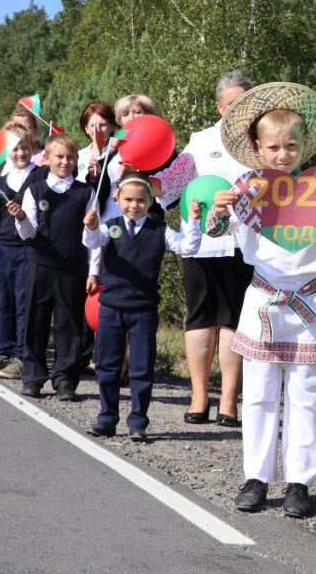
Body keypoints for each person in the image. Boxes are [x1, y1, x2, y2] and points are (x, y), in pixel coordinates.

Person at [207, 83, 316, 519]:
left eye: (291, 146)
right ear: (257, 147)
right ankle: (256, 477)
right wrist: (216, 212)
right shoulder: (248, 188)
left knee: (310, 393)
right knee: (259, 392)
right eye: (273, 147)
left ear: (306, 145)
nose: (282, 155)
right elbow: (218, 232)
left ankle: (300, 482)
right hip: (264, 299)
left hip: (311, 301)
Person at [153, 71, 254, 426]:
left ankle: (229, 400)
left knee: (234, 321)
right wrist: (148, 177)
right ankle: (199, 396)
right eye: (232, 103)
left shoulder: (262, 139)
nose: (239, 109)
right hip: (202, 243)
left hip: (245, 243)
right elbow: (172, 180)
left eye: (245, 101)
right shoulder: (201, 140)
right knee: (201, 318)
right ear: (219, 107)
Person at [82, 176, 203, 441]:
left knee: (141, 366)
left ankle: (138, 421)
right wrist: (91, 227)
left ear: (150, 201)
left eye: (141, 200)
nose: (134, 205)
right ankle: (106, 419)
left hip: (143, 309)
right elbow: (93, 242)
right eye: (128, 199)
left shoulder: (159, 229)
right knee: (108, 365)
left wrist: (194, 221)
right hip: (111, 307)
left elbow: (187, 247)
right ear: (117, 198)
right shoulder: (110, 226)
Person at [6, 132, 93, 400]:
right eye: (60, 156)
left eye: (71, 157)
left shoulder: (85, 192)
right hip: (40, 265)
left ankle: (65, 379)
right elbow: (28, 234)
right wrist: (21, 218)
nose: (65, 162)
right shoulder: (36, 190)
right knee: (36, 321)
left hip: (73, 268)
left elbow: (93, 238)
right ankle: (33, 376)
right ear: (47, 158)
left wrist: (94, 270)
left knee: (69, 324)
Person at [0, 123, 44, 379]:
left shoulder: (41, 175)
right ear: (8, 151)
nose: (21, 153)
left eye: (25, 147)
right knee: (1, 303)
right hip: (2, 248)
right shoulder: (0, 182)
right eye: (16, 148)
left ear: (32, 148)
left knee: (23, 304)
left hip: (29, 248)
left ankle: (21, 355)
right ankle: (2, 351)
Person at [76, 100, 116, 184]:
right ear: (86, 129)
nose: (97, 130)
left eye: (102, 125)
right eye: (92, 126)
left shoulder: (121, 154)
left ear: (112, 126)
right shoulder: (78, 157)